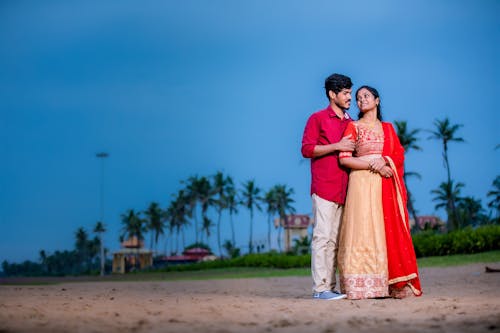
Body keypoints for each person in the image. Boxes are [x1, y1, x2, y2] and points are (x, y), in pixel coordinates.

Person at [337, 85, 423, 299]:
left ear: (377, 100)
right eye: (357, 98)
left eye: (366, 96)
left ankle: (391, 284)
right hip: (360, 183)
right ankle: (359, 285)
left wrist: (385, 162)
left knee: (383, 230)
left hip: (383, 184)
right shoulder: (353, 127)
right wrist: (372, 165)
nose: (361, 100)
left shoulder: (388, 128)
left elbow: (399, 156)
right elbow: (344, 158)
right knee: (361, 228)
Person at [301, 73, 356, 300]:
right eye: (345, 93)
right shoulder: (317, 118)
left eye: (350, 93)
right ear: (332, 94)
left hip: (344, 190)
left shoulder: (350, 122)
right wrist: (337, 146)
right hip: (324, 187)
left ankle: (329, 288)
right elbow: (307, 149)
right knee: (322, 238)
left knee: (335, 240)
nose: (349, 97)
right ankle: (319, 289)